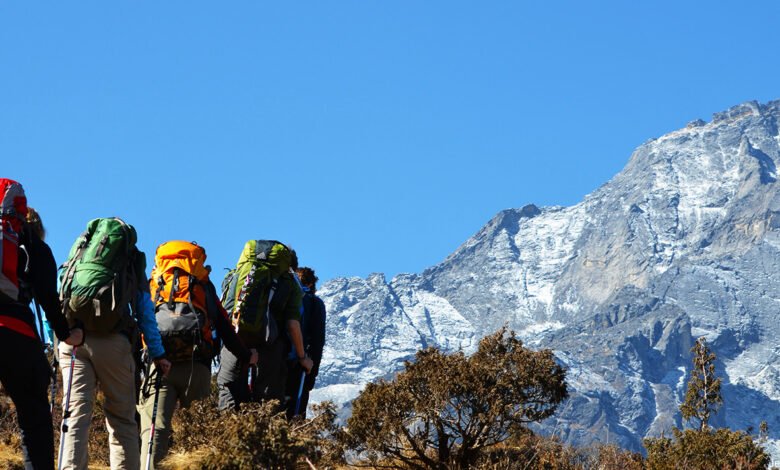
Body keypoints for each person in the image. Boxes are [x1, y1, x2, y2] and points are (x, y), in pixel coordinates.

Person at [57, 218, 171, 470]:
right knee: (121, 420)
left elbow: (59, 293)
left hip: (74, 342)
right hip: (113, 342)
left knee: (74, 416)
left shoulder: (80, 251)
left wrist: (60, 335)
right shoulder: (131, 260)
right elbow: (144, 312)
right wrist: (158, 353)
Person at [138, 244, 259, 469]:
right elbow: (223, 325)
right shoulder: (202, 285)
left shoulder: (154, 283)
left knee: (155, 428)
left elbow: (141, 321)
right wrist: (245, 355)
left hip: (159, 364)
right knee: (197, 430)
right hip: (197, 366)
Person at [0, 183, 84, 470]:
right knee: (33, 420)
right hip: (18, 335)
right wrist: (66, 334)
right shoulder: (33, 245)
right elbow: (49, 299)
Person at [217, 245, 313, 411]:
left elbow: (223, 311)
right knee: (268, 403)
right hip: (270, 346)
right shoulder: (289, 283)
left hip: (234, 341)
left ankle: (227, 431)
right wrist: (302, 356)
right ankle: (263, 435)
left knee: (229, 395)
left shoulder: (238, 275)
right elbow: (292, 324)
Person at [285, 266, 326, 419]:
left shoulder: (284, 296)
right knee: (294, 415)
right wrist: (311, 375)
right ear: (311, 285)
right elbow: (317, 342)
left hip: (276, 361)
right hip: (299, 366)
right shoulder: (314, 303)